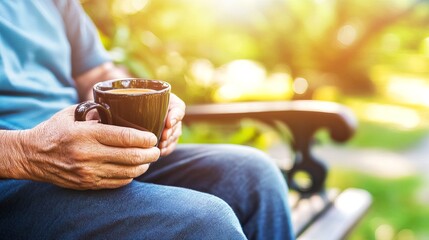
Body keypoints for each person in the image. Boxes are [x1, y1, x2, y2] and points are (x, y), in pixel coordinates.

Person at [0, 1, 294, 239]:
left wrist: (143, 104)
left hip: (82, 149)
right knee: (203, 224)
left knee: (253, 176)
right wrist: (26, 153)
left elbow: (97, 74)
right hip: (11, 174)